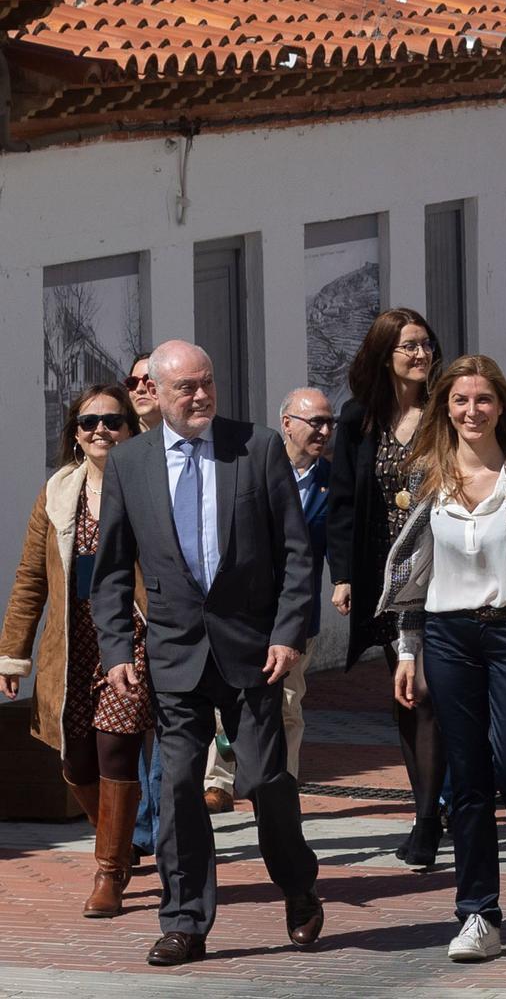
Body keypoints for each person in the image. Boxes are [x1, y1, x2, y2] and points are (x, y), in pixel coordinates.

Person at [91, 340, 322, 967]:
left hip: (253, 650)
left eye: (207, 383)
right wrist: (117, 648)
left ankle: (298, 884)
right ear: (155, 394)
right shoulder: (131, 464)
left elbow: (297, 553)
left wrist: (287, 631)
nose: (198, 397)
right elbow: (111, 570)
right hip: (174, 655)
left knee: (265, 780)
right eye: (184, 388)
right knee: (179, 787)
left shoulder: (257, 448)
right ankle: (185, 921)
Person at [379, 354, 506, 962]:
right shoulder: (427, 474)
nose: (472, 411)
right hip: (447, 636)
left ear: (501, 405)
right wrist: (408, 649)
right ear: (446, 407)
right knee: (464, 779)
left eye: (483, 400)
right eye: (461, 401)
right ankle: (478, 915)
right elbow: (417, 573)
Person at [0, 385, 149, 918]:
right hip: (73, 642)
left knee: (117, 748)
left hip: (134, 642)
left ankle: (109, 871)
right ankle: (119, 838)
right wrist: (12, 654)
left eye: (112, 421)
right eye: (88, 423)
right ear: (75, 433)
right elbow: (30, 580)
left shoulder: (150, 483)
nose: (100, 431)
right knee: (77, 761)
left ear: (130, 429)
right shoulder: (57, 492)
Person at [327, 308, 448, 867]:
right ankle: (429, 807)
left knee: (426, 692)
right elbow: (344, 502)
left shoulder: (449, 411)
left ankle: (430, 818)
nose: (420, 354)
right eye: (408, 346)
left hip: (445, 571)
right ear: (385, 355)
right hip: (387, 578)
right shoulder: (360, 419)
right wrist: (344, 574)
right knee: (408, 696)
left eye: (425, 344)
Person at [203, 388, 334, 810]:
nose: (324, 431)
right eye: (315, 422)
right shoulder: (249, 469)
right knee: (227, 703)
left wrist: (346, 580)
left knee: (289, 706)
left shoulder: (331, 484)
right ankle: (219, 781)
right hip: (243, 614)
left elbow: (342, 540)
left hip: (297, 616)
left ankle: (283, 788)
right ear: (288, 424)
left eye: (329, 423)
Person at [125, 353, 164, 866]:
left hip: (174, 615)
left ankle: (157, 823)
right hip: (129, 614)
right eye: (133, 380)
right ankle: (143, 824)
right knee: (131, 722)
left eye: (149, 380)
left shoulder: (197, 451)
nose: (140, 388)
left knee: (170, 726)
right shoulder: (123, 453)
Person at [125, 353, 161, 432]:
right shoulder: (120, 437)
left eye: (148, 380)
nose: (139, 389)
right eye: (132, 382)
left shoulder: (188, 435)